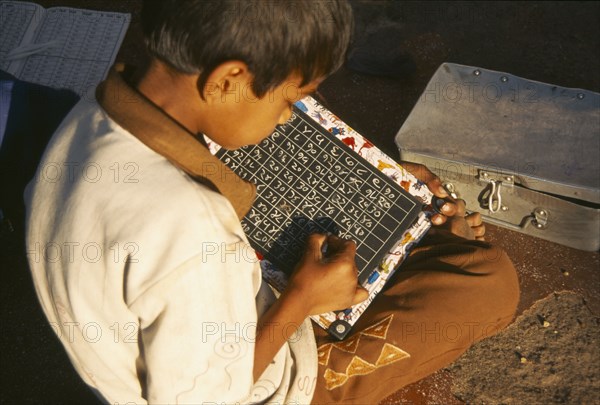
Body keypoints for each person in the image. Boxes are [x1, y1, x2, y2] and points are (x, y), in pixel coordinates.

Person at [24, 1, 519, 403]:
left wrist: (367, 180)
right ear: (227, 79)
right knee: (488, 281)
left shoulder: (94, 110)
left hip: (175, 323)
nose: (287, 119)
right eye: (290, 102)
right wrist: (301, 302)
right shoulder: (190, 227)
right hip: (266, 378)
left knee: (404, 238)